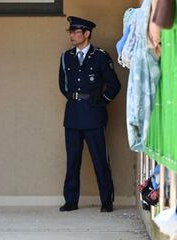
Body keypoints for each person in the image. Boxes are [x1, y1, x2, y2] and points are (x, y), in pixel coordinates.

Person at [58, 16, 121, 212]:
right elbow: (63, 84)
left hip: (94, 115)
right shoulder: (66, 56)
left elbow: (114, 85)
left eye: (75, 32)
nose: (71, 36)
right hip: (73, 115)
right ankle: (71, 200)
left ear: (86, 34)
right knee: (72, 160)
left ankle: (106, 200)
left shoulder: (100, 56)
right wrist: (75, 97)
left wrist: (101, 102)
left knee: (100, 159)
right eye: (70, 32)